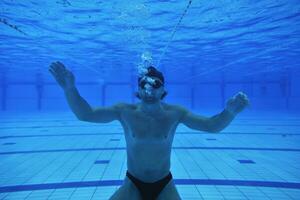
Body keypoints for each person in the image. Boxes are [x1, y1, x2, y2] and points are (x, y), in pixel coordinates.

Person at [49, 61, 249, 200]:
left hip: (164, 185)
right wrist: (69, 89)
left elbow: (211, 126)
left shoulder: (175, 113)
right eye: (144, 84)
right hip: (133, 183)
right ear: (138, 89)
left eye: (156, 85)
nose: (149, 89)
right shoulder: (124, 111)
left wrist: (230, 112)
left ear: (163, 90)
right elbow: (86, 114)